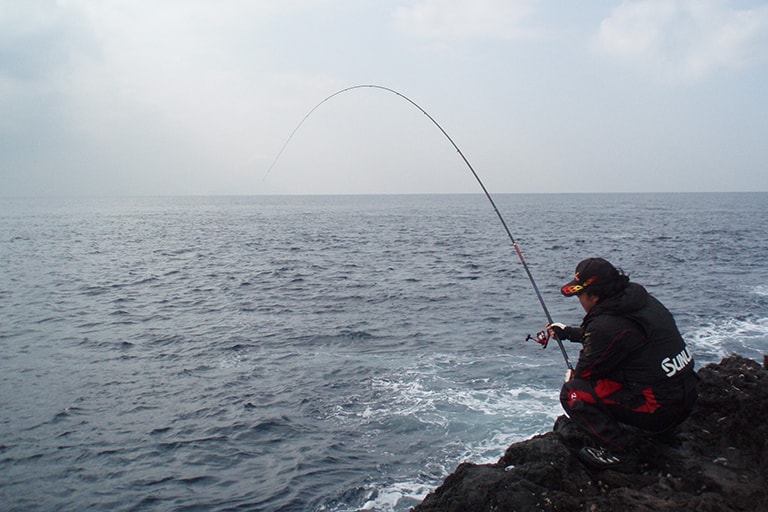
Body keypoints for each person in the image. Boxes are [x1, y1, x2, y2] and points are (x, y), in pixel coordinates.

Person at [547, 257, 698, 472]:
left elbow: (585, 374)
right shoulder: (640, 302)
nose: (579, 299)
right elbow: (618, 338)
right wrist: (569, 333)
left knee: (573, 394)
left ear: (595, 295)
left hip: (662, 411)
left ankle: (621, 452)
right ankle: (662, 434)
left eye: (580, 294)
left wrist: (573, 379)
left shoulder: (605, 326)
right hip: (687, 397)